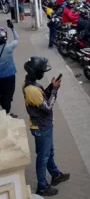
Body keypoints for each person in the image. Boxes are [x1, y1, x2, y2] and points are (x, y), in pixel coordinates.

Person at [23, 56, 70, 196]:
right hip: (41, 128)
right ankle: (42, 186)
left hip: (45, 126)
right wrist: (55, 90)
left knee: (49, 152)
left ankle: (55, 174)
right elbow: (48, 106)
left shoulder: (32, 84)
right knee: (43, 157)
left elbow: (42, 98)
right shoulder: (31, 89)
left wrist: (50, 87)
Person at [0, 21, 18, 117]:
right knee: (8, 95)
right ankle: (6, 114)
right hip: (9, 77)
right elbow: (17, 39)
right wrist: (12, 28)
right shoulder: (9, 47)